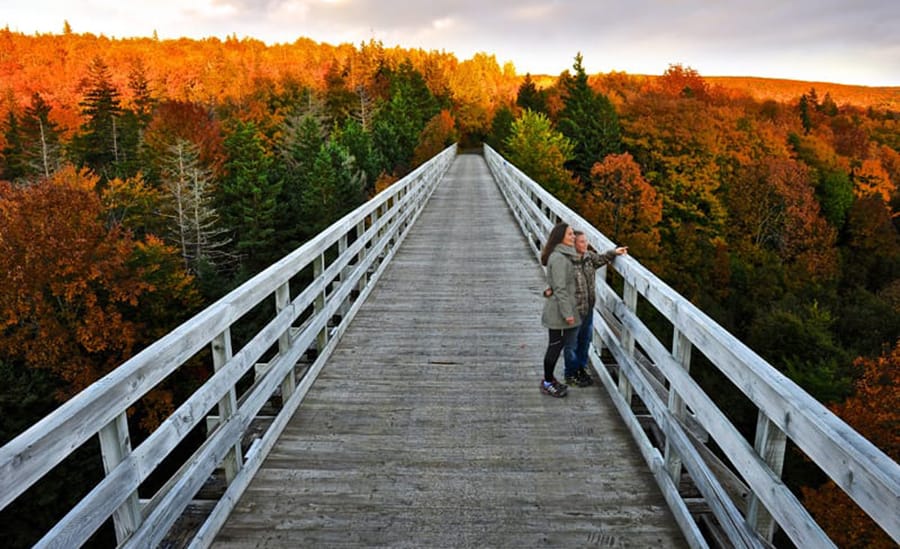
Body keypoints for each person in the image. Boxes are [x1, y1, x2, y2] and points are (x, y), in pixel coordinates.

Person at [564, 232, 627, 387]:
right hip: (574, 310)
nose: (585, 244)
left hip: (588, 309)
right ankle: (570, 373)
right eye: (581, 242)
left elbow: (601, 259)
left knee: (585, 340)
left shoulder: (588, 257)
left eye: (586, 241)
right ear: (573, 244)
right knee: (571, 344)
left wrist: (614, 252)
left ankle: (581, 368)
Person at [539, 222, 580, 398]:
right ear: (560, 237)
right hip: (558, 310)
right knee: (555, 346)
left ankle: (550, 379)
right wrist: (568, 313)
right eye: (570, 234)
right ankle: (547, 382)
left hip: (559, 307)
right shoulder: (559, 258)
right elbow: (560, 288)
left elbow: (554, 283)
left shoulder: (564, 255)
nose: (573, 237)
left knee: (557, 345)